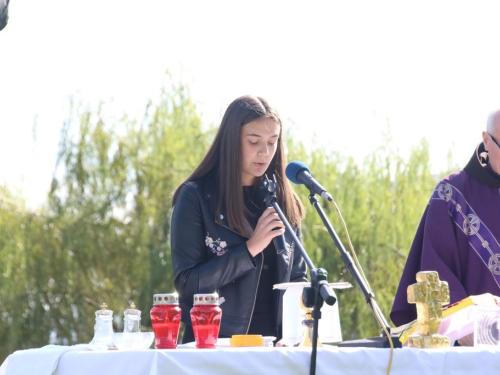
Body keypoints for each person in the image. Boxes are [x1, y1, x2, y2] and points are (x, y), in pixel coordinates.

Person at [170, 95, 307, 343]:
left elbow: (297, 278)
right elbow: (188, 283)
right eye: (254, 141)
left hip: (277, 347)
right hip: (215, 344)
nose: (265, 152)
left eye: (272, 142)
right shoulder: (196, 196)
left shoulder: (285, 200)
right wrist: (250, 249)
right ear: (231, 141)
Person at [391, 110, 500, 332]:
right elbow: (436, 276)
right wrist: (467, 327)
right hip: (474, 348)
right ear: (486, 141)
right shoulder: (452, 196)